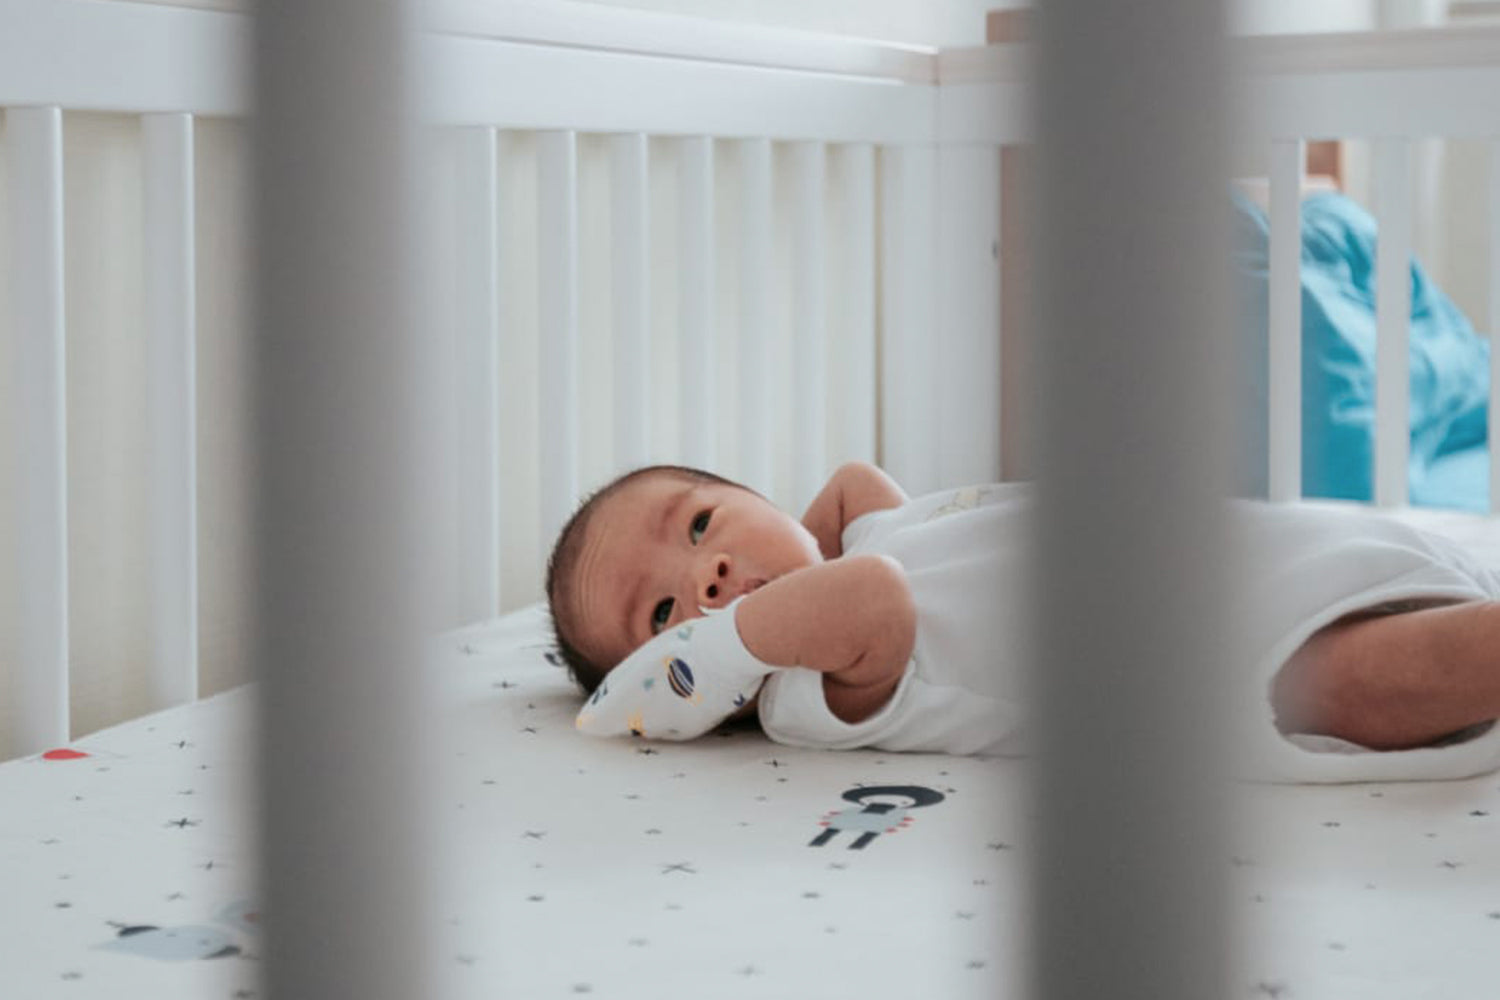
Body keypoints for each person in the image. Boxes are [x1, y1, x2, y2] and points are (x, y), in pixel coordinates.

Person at [545, 461, 1500, 783]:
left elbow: (851, 489)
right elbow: (873, 595)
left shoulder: (872, 533)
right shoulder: (806, 690)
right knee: (1381, 676)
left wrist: (798, 535)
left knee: (1398, 577)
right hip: (1220, 664)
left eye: (704, 522)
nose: (708, 578)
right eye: (663, 613)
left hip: (1234, 554)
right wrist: (726, 646)